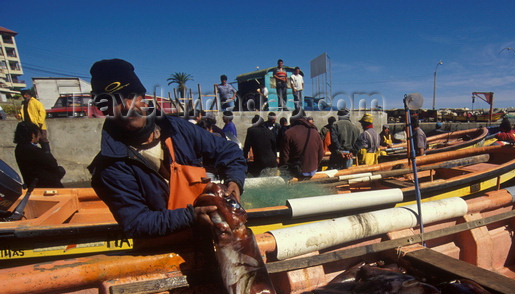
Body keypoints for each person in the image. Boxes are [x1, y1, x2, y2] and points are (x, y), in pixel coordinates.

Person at [87, 58, 246, 238]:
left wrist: (235, 181)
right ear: (104, 109)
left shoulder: (179, 128)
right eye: (114, 102)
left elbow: (230, 152)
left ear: (142, 96)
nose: (127, 107)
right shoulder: (108, 168)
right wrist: (191, 216)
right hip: (162, 251)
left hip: (211, 239)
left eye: (131, 96)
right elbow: (136, 223)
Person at [13, 121, 65, 188]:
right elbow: (52, 163)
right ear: (33, 135)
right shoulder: (32, 150)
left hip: (32, 183)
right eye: (39, 134)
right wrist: (45, 145)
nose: (39, 137)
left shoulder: (19, 148)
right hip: (45, 185)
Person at [280, 108, 324, 179]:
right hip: (313, 171)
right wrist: (314, 166)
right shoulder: (315, 132)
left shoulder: (288, 133)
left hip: (297, 172)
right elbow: (321, 153)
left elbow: (284, 158)